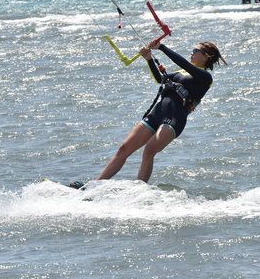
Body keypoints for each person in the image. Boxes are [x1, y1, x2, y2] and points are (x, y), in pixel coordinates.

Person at [70, 40, 226, 187]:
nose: (192, 53)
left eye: (196, 50)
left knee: (149, 151)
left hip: (174, 118)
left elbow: (183, 63)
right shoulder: (181, 72)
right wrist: (149, 59)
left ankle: (139, 190)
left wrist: (162, 47)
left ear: (206, 56)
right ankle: (94, 186)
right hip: (157, 113)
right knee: (124, 149)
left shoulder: (205, 77)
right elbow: (160, 79)